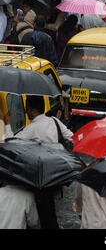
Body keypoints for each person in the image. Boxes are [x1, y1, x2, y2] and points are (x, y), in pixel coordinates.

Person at [4, 95, 73, 229]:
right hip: (56, 171)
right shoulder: (54, 121)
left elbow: (11, 143)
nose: (25, 112)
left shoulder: (32, 128)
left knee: (44, 209)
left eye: (27, 109)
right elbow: (71, 137)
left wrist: (7, 124)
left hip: (39, 175)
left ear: (34, 111)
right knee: (50, 207)